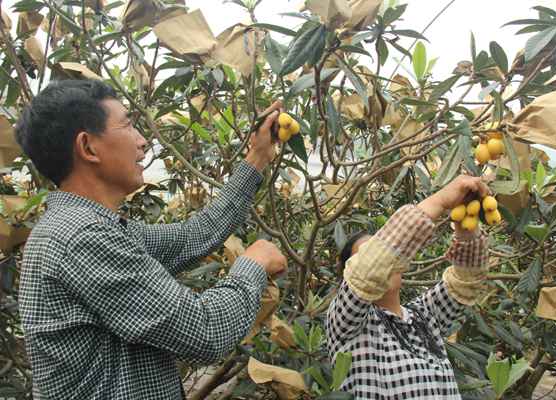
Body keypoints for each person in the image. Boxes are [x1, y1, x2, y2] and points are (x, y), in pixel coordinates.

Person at [16, 79, 287, 400]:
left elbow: (194, 236)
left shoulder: (89, 227)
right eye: (127, 125)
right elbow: (205, 333)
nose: (142, 141)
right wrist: (252, 264)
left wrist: (256, 158)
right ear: (88, 147)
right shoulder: (82, 237)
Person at [326, 175, 491, 399]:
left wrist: (466, 229)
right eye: (375, 254)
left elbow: (466, 283)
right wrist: (439, 202)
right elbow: (367, 272)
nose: (386, 261)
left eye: (391, 253)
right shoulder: (346, 324)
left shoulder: (423, 317)